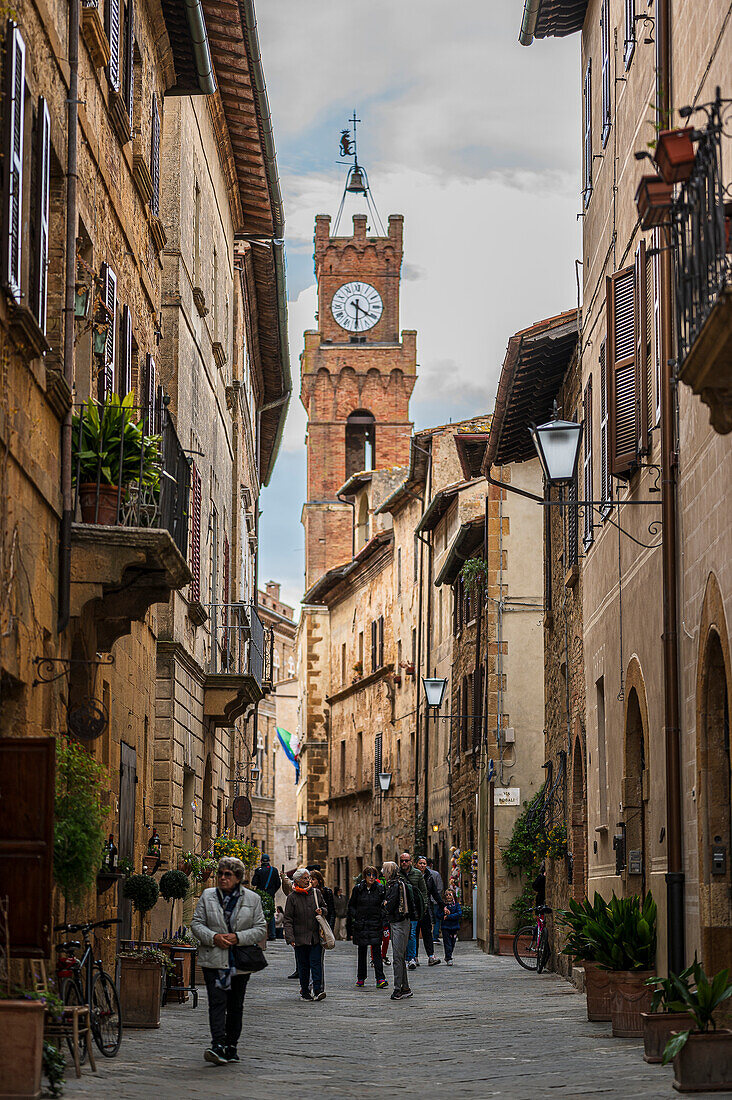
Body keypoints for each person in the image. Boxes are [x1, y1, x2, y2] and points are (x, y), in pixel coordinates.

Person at [191, 856, 266, 1065]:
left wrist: (238, 938)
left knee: (235, 1005)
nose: (223, 878)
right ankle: (217, 1044)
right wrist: (213, 937)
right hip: (214, 959)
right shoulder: (207, 896)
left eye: (228, 874)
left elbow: (260, 929)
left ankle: (231, 1046)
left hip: (239, 962)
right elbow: (196, 924)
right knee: (216, 1002)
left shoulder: (252, 899)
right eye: (220, 874)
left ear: (238, 877)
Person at [283, 867, 327, 1001]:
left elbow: (325, 907)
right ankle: (305, 991)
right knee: (303, 966)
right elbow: (288, 919)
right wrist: (290, 938)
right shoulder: (292, 897)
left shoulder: (316, 893)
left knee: (316, 963)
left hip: (315, 937)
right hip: (300, 937)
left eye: (308, 878)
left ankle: (318, 990)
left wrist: (322, 911)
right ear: (297, 880)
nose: (308, 880)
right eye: (305, 878)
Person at [382, 860, 417, 1000]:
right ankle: (405, 987)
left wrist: (384, 903)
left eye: (384, 870)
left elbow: (388, 906)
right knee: (400, 957)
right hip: (399, 922)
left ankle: (398, 989)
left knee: (397, 957)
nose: (382, 873)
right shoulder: (395, 884)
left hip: (400, 923)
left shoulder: (395, 885)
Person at [348, 866, 388, 989]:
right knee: (362, 952)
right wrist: (357, 917)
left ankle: (380, 978)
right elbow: (351, 906)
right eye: (369, 875)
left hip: (375, 924)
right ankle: (361, 978)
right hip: (362, 924)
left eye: (373, 875)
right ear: (364, 876)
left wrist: (381, 917)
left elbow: (384, 905)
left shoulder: (380, 889)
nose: (371, 877)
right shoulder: (358, 889)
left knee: (377, 952)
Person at [415, 855, 443, 966]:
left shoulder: (429, 876)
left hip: (426, 908)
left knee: (427, 933)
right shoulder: (413, 876)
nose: (422, 865)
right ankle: (414, 957)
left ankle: (431, 956)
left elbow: (435, 892)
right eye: (420, 863)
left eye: (424, 863)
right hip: (415, 909)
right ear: (416, 864)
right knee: (414, 933)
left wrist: (442, 906)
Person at [251, 854, 281, 941]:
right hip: (270, 895)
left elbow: (254, 883)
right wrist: (272, 891)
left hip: (260, 895)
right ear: (269, 860)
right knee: (270, 914)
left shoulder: (258, 871)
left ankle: (260, 934)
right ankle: (272, 934)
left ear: (261, 861)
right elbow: (278, 884)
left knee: (259, 914)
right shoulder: (274, 870)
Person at [441, 888, 462, 964]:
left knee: (452, 943)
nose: (448, 896)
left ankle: (449, 955)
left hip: (454, 927)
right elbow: (438, 914)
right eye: (447, 894)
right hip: (445, 927)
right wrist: (444, 913)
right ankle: (448, 957)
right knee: (447, 943)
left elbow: (459, 914)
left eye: (450, 894)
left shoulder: (456, 905)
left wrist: (449, 916)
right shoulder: (443, 906)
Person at [427, 858, 444, 942]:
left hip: (425, 902)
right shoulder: (436, 874)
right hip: (434, 901)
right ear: (431, 865)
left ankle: (427, 936)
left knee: (426, 919)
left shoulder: (418, 874)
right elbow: (440, 888)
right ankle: (435, 937)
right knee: (437, 919)